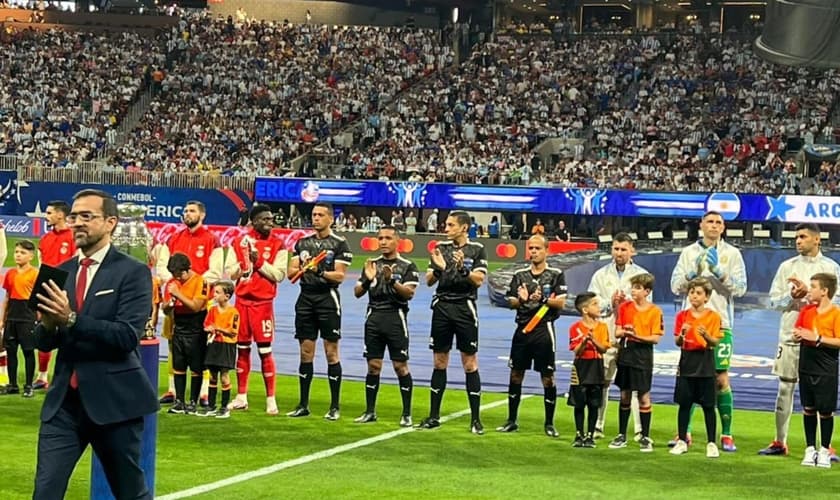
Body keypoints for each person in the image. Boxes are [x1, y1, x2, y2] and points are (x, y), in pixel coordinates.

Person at [32, 188, 157, 500]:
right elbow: (44, 342)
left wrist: (71, 319)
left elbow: (127, 336)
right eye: (74, 216)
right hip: (64, 405)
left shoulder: (134, 271)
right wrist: (48, 324)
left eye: (87, 216)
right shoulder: (60, 272)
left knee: (130, 493)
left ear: (110, 222)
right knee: (44, 492)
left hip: (114, 403)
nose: (77, 223)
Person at [760, 223, 840, 456]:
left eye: (803, 237)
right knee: (785, 388)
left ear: (817, 240)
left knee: (822, 395)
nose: (798, 241)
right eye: (796, 237)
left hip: (821, 342)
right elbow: (772, 303)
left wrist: (811, 296)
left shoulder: (832, 268)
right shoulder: (787, 267)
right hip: (791, 335)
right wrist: (790, 297)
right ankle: (779, 441)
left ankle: (824, 446)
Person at [670, 211, 746, 452]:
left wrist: (719, 272)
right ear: (701, 225)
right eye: (709, 221)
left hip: (720, 324)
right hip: (691, 324)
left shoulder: (732, 254)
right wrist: (691, 275)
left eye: (718, 223)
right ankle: (685, 433)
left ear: (723, 228)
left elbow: (741, 289)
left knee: (721, 378)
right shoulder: (688, 252)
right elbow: (675, 287)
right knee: (689, 378)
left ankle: (726, 434)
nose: (713, 226)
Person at [418, 211, 488, 434]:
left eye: (450, 225)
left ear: (464, 228)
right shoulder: (440, 248)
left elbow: (479, 280)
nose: (445, 228)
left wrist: (463, 269)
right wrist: (438, 268)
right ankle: (434, 415)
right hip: (442, 307)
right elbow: (428, 281)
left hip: (465, 308)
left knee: (469, 362)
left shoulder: (476, 249)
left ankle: (476, 419)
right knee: (439, 361)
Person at [287, 202, 353, 420]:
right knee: (306, 352)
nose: (316, 218)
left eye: (320, 215)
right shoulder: (302, 243)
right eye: (314, 215)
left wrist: (319, 271)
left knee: (331, 352)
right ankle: (303, 403)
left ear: (330, 219)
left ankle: (335, 406)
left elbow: (340, 276)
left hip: (327, 299)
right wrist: (302, 268)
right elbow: (291, 272)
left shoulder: (340, 244)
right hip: (305, 298)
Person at [497, 234, 567, 437]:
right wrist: (520, 299)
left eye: (538, 248)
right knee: (516, 373)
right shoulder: (520, 275)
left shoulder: (555, 274)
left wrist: (544, 298)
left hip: (544, 329)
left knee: (547, 377)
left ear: (547, 251)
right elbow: (510, 302)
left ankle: (549, 423)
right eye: (531, 248)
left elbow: (560, 303)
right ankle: (511, 420)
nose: (534, 252)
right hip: (522, 329)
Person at [157, 201, 224, 406]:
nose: (187, 214)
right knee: (172, 342)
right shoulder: (173, 238)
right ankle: (172, 389)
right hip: (176, 300)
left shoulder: (212, 240)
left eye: (192, 211)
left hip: (202, 301)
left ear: (202, 215)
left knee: (201, 346)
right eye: (185, 211)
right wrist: (175, 285)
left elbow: (215, 271)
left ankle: (203, 391)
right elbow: (162, 267)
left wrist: (192, 286)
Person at [353, 226, 420, 426]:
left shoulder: (408, 266)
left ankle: (407, 413)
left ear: (397, 240)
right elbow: (357, 292)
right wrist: (368, 281)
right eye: (380, 238)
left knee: (400, 366)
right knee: (373, 366)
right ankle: (370, 411)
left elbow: (409, 293)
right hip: (374, 317)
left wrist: (391, 281)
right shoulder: (371, 264)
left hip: (395, 317)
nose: (383, 241)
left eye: (388, 238)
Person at [587, 232, 648, 440]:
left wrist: (628, 304)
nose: (619, 253)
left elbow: (648, 308)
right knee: (602, 381)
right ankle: (598, 425)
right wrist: (610, 303)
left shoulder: (642, 276)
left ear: (632, 250)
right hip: (607, 335)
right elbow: (591, 306)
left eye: (623, 249)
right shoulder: (600, 275)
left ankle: (639, 430)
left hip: (633, 338)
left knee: (632, 385)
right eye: (616, 248)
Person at [227, 204, 287, 414]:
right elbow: (230, 273)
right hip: (242, 303)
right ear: (253, 221)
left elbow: (279, 275)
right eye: (265, 219)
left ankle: (271, 399)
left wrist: (258, 261)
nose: (269, 223)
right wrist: (243, 264)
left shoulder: (279, 244)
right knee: (242, 349)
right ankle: (241, 396)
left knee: (264, 351)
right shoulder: (238, 242)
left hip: (263, 305)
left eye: (271, 219)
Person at [609, 273, 662, 452]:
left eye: (638, 288)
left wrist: (636, 335)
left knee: (643, 396)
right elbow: (617, 332)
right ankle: (621, 435)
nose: (634, 290)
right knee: (624, 395)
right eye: (633, 287)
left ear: (647, 291)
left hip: (643, 355)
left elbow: (655, 338)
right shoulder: (625, 308)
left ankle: (645, 437)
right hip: (627, 353)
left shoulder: (655, 311)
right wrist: (626, 332)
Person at [670, 278, 723, 458]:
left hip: (705, 363)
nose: (694, 296)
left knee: (709, 406)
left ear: (706, 297)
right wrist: (683, 334)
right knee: (684, 405)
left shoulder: (714, 317)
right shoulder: (681, 316)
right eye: (692, 292)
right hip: (686, 363)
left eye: (698, 293)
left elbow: (715, 342)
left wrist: (706, 335)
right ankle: (682, 440)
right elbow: (677, 341)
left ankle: (711, 443)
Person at [793, 273, 840, 468]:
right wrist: (798, 335)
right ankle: (810, 448)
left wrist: (817, 338)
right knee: (808, 408)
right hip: (806, 363)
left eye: (813, 286)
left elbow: (838, 341)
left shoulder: (836, 314)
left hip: (826, 366)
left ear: (824, 291)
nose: (809, 290)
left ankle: (824, 450)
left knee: (826, 411)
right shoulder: (806, 311)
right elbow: (798, 331)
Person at [34, 200, 76, 390]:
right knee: (46, 329)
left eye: (49, 212)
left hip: (68, 290)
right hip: (47, 289)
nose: (46, 215)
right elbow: (41, 265)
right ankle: (42, 376)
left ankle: (71, 375)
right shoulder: (45, 239)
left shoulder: (74, 237)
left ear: (61, 215)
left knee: (71, 331)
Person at [162, 253, 210, 415]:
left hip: (196, 329)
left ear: (186, 270)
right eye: (173, 275)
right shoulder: (172, 283)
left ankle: (192, 402)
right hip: (179, 328)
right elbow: (165, 309)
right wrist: (169, 305)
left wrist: (177, 294)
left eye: (178, 275)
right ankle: (179, 402)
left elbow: (196, 306)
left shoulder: (200, 282)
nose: (176, 278)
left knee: (196, 368)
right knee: (179, 366)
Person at [568, 292, 609, 448]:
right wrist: (584, 342)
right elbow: (576, 350)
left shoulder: (602, 327)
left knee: (594, 403)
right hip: (581, 367)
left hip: (596, 365)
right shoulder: (575, 328)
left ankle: (590, 435)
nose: (598, 307)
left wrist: (593, 339)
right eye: (595, 304)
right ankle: (579, 434)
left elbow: (604, 348)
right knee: (579, 402)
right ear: (585, 310)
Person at [0, 240, 39, 396]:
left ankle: (28, 386)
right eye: (16, 252)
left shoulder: (35, 274)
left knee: (28, 351)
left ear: (31, 256)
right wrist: (2, 319)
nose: (18, 255)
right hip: (12, 316)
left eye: (22, 252)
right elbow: (7, 298)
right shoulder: (10, 273)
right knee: (11, 352)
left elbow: (38, 298)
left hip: (27, 316)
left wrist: (39, 318)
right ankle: (13, 384)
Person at [201, 281, 240, 419]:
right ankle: (211, 406)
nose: (214, 295)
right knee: (212, 375)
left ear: (227, 296)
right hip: (214, 344)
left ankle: (224, 407)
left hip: (226, 345)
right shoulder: (212, 310)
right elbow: (206, 325)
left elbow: (233, 332)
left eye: (218, 292)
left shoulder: (233, 312)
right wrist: (209, 329)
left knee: (224, 376)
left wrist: (217, 328)